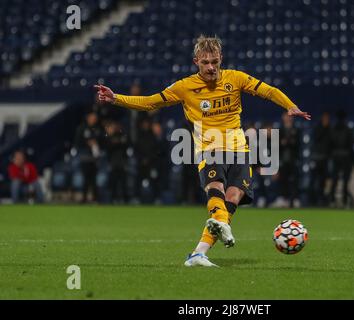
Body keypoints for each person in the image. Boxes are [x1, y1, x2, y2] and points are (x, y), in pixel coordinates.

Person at [95, 35, 311, 267]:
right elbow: (150, 102)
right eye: (205, 62)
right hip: (208, 148)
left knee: (233, 198)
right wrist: (116, 98)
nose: (211, 67)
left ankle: (199, 253)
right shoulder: (184, 87)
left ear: (221, 60)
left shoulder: (235, 79)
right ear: (196, 61)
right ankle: (216, 231)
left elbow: (268, 90)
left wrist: (290, 105)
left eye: (215, 62)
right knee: (216, 188)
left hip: (239, 148)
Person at [74, 111, 103, 203]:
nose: (94, 119)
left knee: (94, 179)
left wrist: (96, 143)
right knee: (86, 179)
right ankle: (84, 198)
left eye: (95, 118)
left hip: (95, 158)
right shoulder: (82, 128)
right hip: (85, 158)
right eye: (92, 117)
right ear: (88, 118)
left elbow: (103, 141)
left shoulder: (98, 128)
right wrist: (87, 143)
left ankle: (95, 199)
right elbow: (77, 142)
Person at [329, 110, 354, 208]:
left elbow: (330, 143)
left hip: (336, 156)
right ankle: (343, 200)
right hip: (345, 157)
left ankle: (332, 200)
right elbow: (351, 145)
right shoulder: (348, 129)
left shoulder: (333, 129)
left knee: (335, 179)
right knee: (345, 180)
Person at [309, 112, 332, 206]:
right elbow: (316, 138)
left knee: (323, 181)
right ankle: (312, 200)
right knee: (313, 180)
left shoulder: (330, 129)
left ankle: (322, 200)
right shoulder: (318, 128)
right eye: (325, 118)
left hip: (325, 158)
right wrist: (324, 127)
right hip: (316, 157)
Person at [104, 120, 129, 203]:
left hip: (122, 162)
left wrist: (116, 142)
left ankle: (125, 200)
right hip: (113, 163)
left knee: (123, 183)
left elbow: (127, 145)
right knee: (113, 183)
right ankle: (113, 199)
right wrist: (115, 141)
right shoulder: (109, 136)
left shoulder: (123, 135)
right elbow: (108, 147)